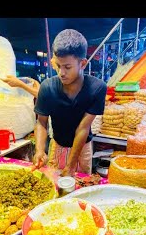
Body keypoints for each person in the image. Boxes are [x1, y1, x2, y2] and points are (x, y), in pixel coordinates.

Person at [33, 29, 107, 177]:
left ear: (83, 64)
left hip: (82, 147)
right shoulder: (47, 87)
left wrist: (71, 165)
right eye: (58, 66)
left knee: (81, 186)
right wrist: (40, 150)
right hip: (57, 145)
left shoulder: (97, 88)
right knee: (55, 185)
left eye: (67, 67)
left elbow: (83, 128)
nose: (61, 73)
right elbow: (41, 123)